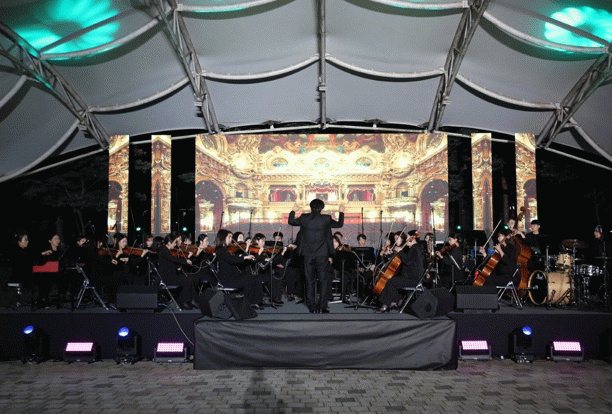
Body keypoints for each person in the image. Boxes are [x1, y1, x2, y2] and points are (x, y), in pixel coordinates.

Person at [288, 199, 344, 313]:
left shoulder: (304, 218)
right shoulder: (326, 219)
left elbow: (291, 221)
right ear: (322, 208)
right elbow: (339, 224)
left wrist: (293, 211)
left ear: (310, 207)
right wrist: (341, 212)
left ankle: (312, 307)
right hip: (322, 254)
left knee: (309, 281)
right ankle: (322, 307)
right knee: (323, 280)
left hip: (307, 254)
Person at [214, 229, 263, 308]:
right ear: (223, 238)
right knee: (250, 280)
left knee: (254, 278)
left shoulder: (226, 250)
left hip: (233, 277)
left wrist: (243, 256)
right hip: (228, 280)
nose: (231, 239)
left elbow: (234, 259)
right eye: (229, 237)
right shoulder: (221, 251)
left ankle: (255, 302)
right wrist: (245, 257)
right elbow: (232, 260)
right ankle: (245, 304)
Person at [377, 230, 424, 312]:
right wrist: (391, 255)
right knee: (394, 281)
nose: (406, 240)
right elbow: (403, 259)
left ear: (412, 239)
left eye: (408, 238)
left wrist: (400, 251)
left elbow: (407, 261)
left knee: (391, 282)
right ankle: (394, 302)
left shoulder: (415, 248)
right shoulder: (415, 248)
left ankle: (386, 304)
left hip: (413, 279)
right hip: (412, 277)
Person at [157, 232, 199, 310]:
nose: (175, 245)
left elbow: (168, 264)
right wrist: (185, 261)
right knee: (187, 280)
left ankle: (191, 299)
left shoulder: (166, 250)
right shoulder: (164, 250)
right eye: (174, 243)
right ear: (169, 243)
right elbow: (173, 259)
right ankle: (184, 301)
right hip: (167, 279)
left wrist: (176, 267)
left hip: (171, 276)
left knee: (191, 278)